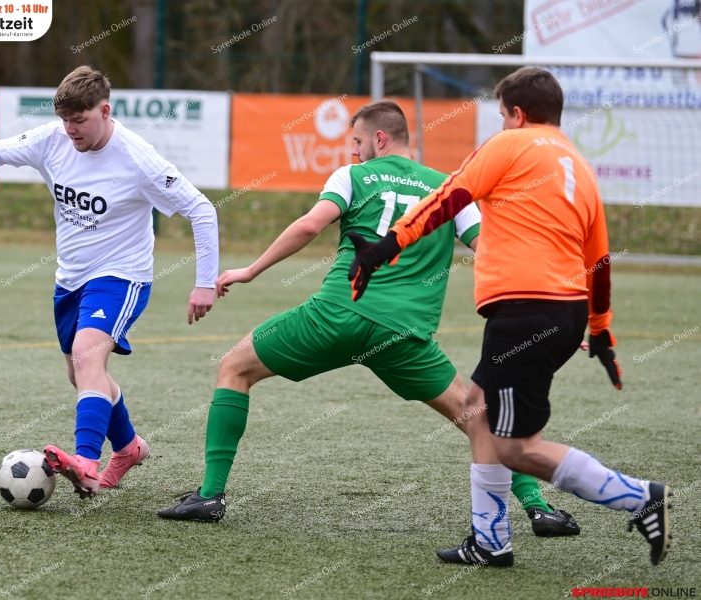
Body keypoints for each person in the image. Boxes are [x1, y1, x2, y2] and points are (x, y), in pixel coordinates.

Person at [157, 100, 579, 538]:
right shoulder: (453, 188)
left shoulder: (353, 176)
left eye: (357, 142)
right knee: (478, 416)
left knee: (234, 368)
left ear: (379, 138)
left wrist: (250, 270)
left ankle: (210, 496)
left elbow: (308, 226)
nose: (354, 152)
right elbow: (494, 251)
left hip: (335, 316)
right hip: (403, 334)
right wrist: (550, 302)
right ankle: (538, 507)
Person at [347, 69, 671, 567]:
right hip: (560, 312)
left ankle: (639, 497)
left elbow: (446, 199)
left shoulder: (509, 145)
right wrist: (601, 330)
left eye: (501, 114)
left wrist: (384, 248)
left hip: (526, 311)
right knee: (478, 410)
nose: (500, 123)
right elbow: (599, 261)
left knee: (516, 447)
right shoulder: (580, 167)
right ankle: (491, 541)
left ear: (517, 114)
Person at [0, 66, 219, 499]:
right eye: (65, 120)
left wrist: (205, 283)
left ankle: (86, 460)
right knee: (81, 374)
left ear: (105, 111)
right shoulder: (53, 140)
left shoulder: (138, 157)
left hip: (121, 276)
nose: (70, 130)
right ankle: (128, 448)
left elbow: (201, 210)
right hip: (70, 279)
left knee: (87, 357)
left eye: (80, 120)